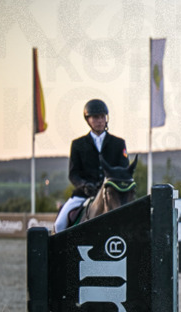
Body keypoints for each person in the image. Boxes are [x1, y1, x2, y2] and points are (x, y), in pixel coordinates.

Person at [54, 99, 129, 233]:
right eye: (95, 117)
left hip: (113, 195)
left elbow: (124, 170)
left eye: (102, 117)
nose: (100, 120)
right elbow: (73, 174)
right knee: (59, 225)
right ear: (88, 119)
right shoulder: (78, 144)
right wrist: (84, 185)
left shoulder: (118, 143)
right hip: (84, 194)